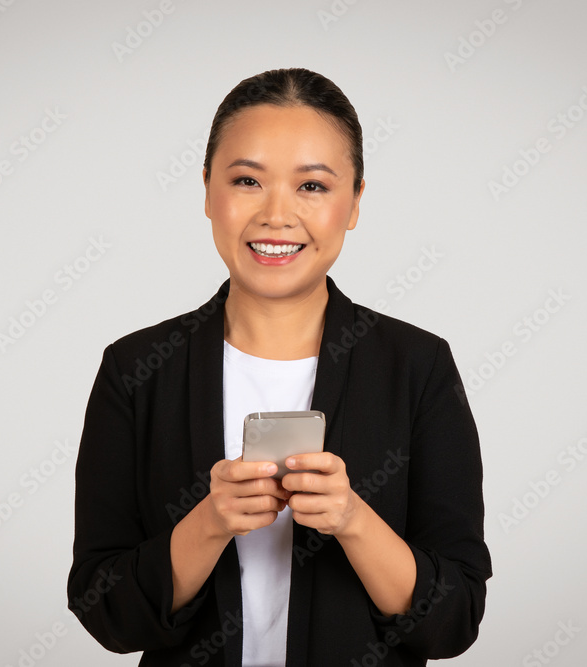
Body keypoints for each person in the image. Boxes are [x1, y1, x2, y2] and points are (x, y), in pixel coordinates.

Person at [67, 67, 492, 666]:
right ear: (208, 190)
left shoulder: (417, 368)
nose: (276, 215)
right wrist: (210, 523)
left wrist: (351, 519)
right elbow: (105, 612)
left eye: (312, 187)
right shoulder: (137, 371)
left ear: (355, 202)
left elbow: (453, 621)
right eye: (246, 180)